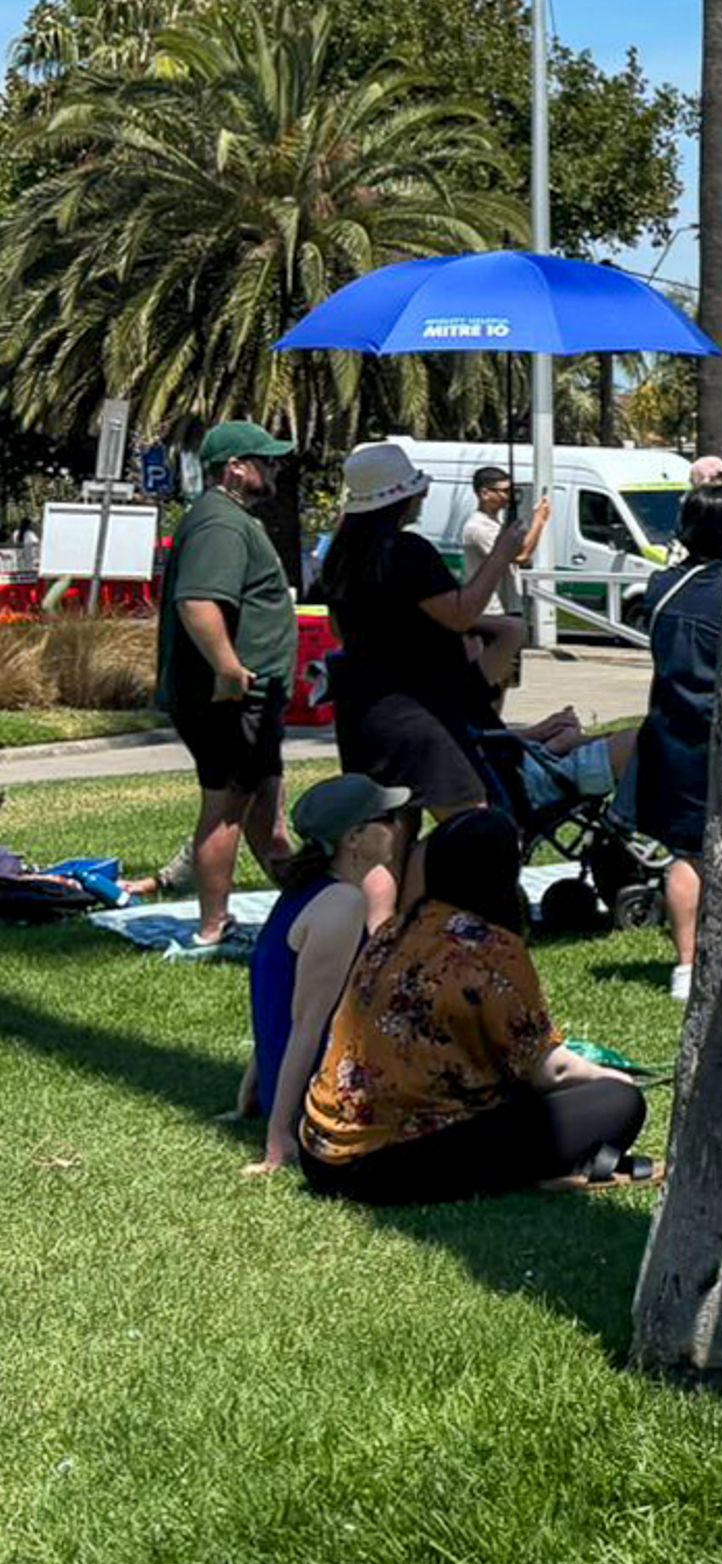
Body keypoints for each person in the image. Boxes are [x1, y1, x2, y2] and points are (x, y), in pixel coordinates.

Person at [295, 812, 648, 1205]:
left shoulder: (396, 930)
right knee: (619, 1104)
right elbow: (551, 1070)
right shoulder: (490, 949)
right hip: (388, 1165)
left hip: (319, 1151)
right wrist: (613, 1079)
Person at [322, 441, 538, 825]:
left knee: (390, 832)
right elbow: (458, 612)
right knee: (472, 826)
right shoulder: (406, 551)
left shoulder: (341, 556)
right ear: (403, 498)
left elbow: (338, 627)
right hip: (419, 713)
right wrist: (502, 554)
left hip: (363, 711)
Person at [157, 420, 300, 949]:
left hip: (248, 700)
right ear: (236, 467)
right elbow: (197, 600)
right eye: (267, 460)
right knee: (227, 810)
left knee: (264, 808)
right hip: (229, 700)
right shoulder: (220, 523)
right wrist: (229, 668)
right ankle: (214, 928)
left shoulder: (230, 518)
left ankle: (301, 904)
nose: (276, 468)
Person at [238, 772, 412, 1173]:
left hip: (304, 1088)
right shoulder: (343, 904)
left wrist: (252, 1089)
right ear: (353, 839)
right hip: (323, 1099)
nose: (397, 826)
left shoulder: (307, 891)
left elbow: (275, 1000)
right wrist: (279, 1138)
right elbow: (307, 1023)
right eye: (388, 818)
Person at [632, 479, 722, 1002]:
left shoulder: (662, 586)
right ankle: (701, 962)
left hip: (671, 732)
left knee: (683, 855)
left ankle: (685, 964)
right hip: (717, 734)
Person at [459, 465, 534, 696]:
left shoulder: (497, 525)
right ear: (484, 493)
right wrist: (539, 521)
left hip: (507, 606)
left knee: (506, 678)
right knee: (491, 680)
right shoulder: (478, 527)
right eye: (503, 491)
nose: (508, 498)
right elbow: (520, 556)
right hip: (491, 611)